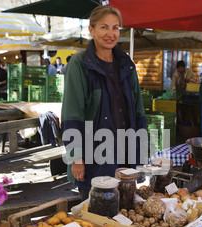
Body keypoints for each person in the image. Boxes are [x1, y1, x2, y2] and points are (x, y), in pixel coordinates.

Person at [61, 5, 146, 202]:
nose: (111, 34)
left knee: (124, 210)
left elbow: (138, 111)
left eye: (115, 28)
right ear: (91, 30)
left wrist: (140, 152)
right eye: (104, 27)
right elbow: (72, 114)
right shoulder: (79, 64)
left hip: (126, 152)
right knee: (97, 213)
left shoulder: (126, 64)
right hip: (95, 155)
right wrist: (77, 158)